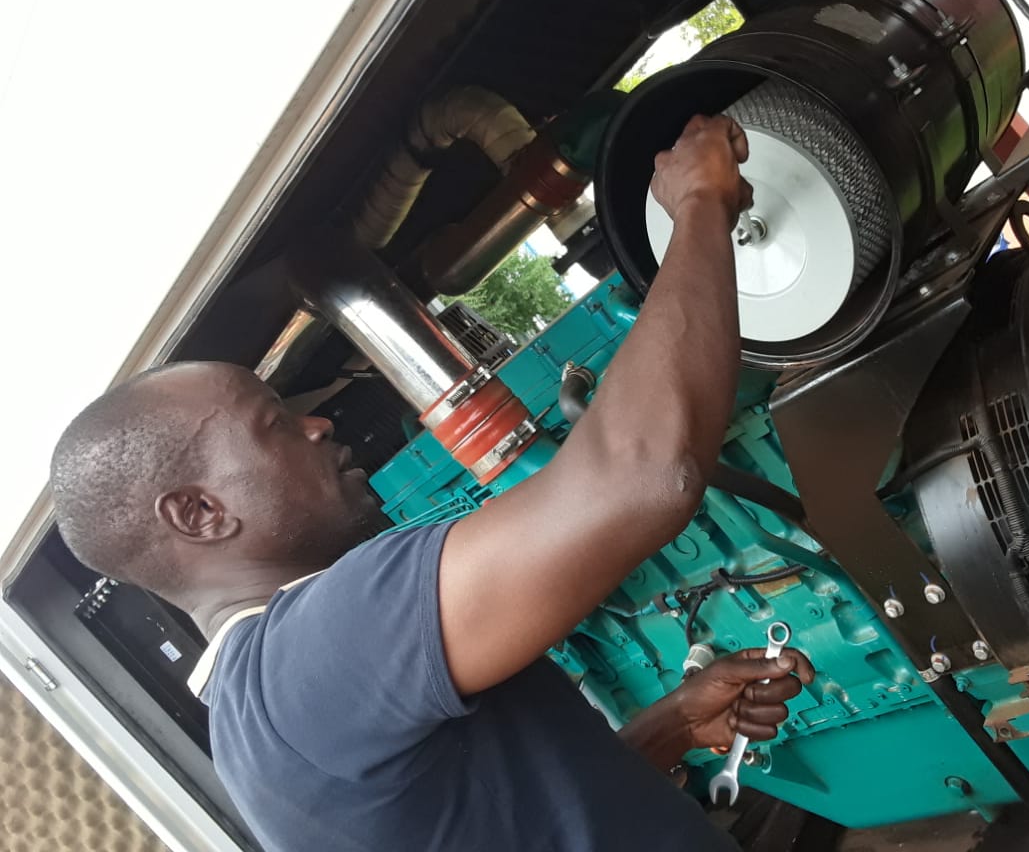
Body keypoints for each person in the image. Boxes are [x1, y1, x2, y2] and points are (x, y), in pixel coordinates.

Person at [50, 115, 815, 851]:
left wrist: (674, 725)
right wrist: (700, 201)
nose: (317, 425)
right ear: (198, 513)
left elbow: (515, 821)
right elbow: (641, 474)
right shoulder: (313, 650)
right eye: (273, 423)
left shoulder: (258, 725)